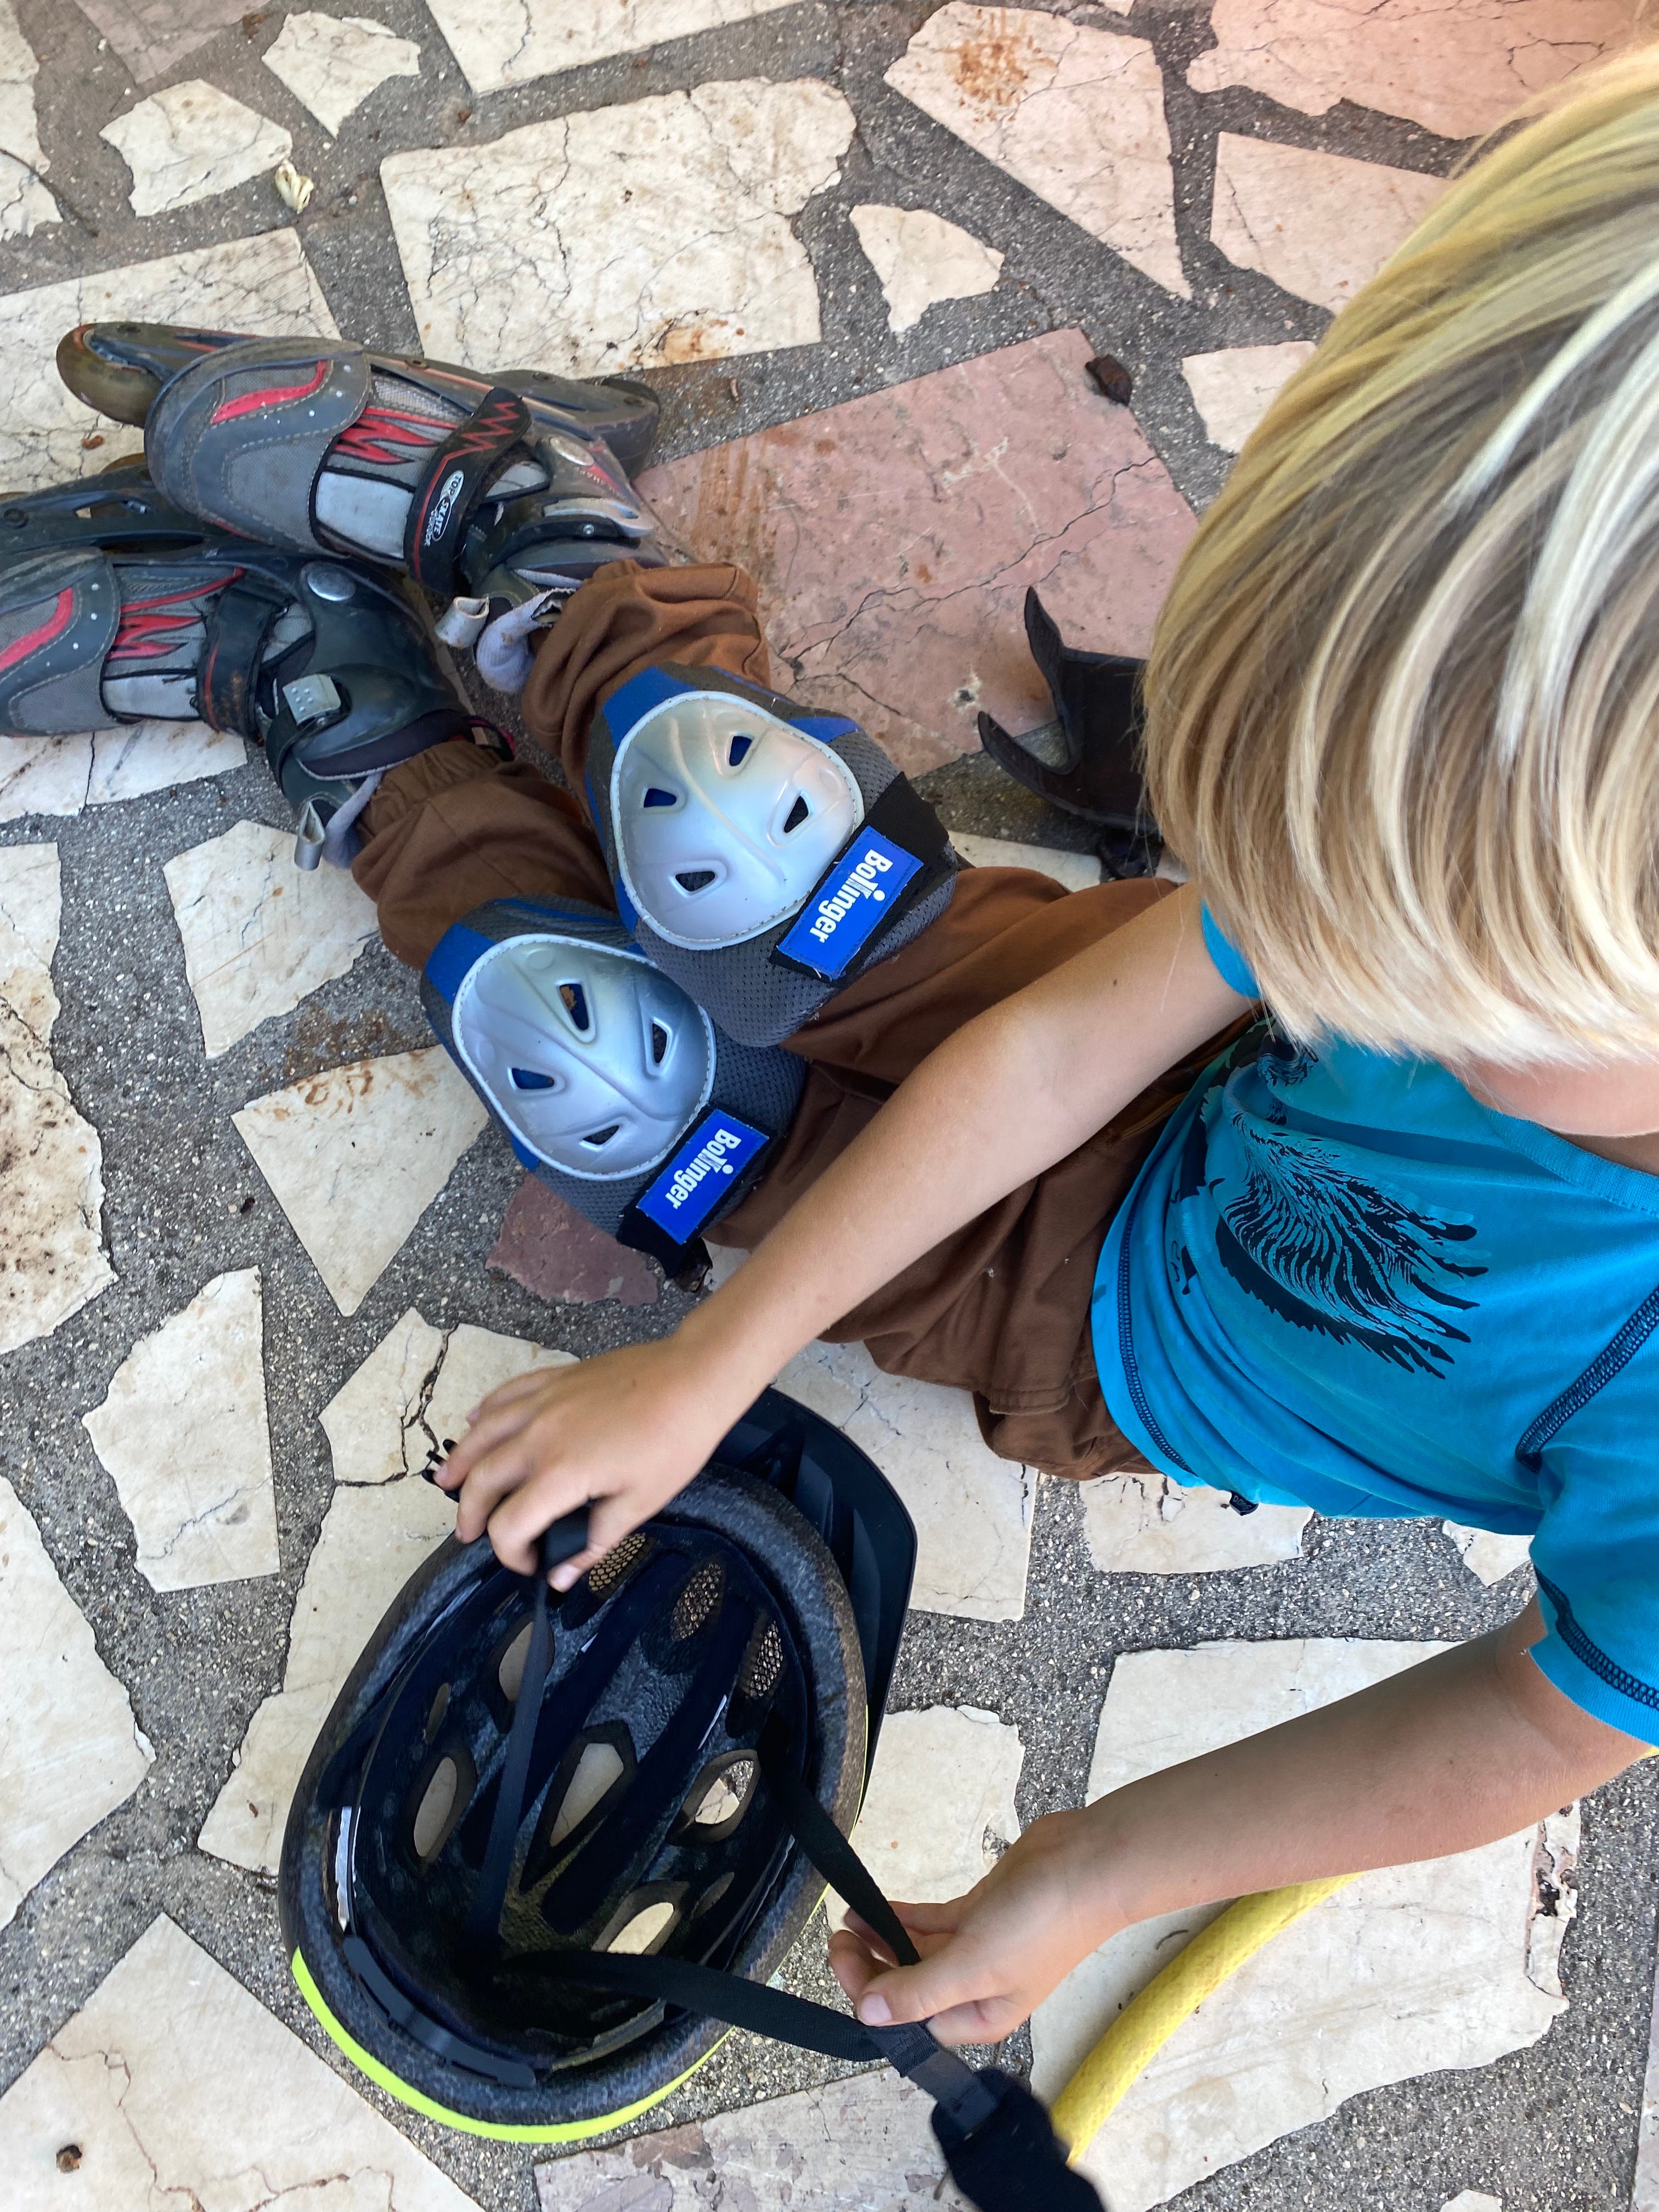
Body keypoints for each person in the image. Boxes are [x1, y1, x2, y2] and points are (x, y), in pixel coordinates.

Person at [15, 48, 1658, 2056]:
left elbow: (1537, 1719)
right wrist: (710, 1372)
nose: (1347, 989)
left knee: (605, 1082)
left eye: (1445, 985)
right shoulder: (1485, 854)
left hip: (1095, 1342)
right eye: (1335, 907)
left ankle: (333, 700)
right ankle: (523, 533)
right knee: (731, 838)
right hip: (1133, 1080)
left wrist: (1083, 1873)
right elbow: (1078, 1039)